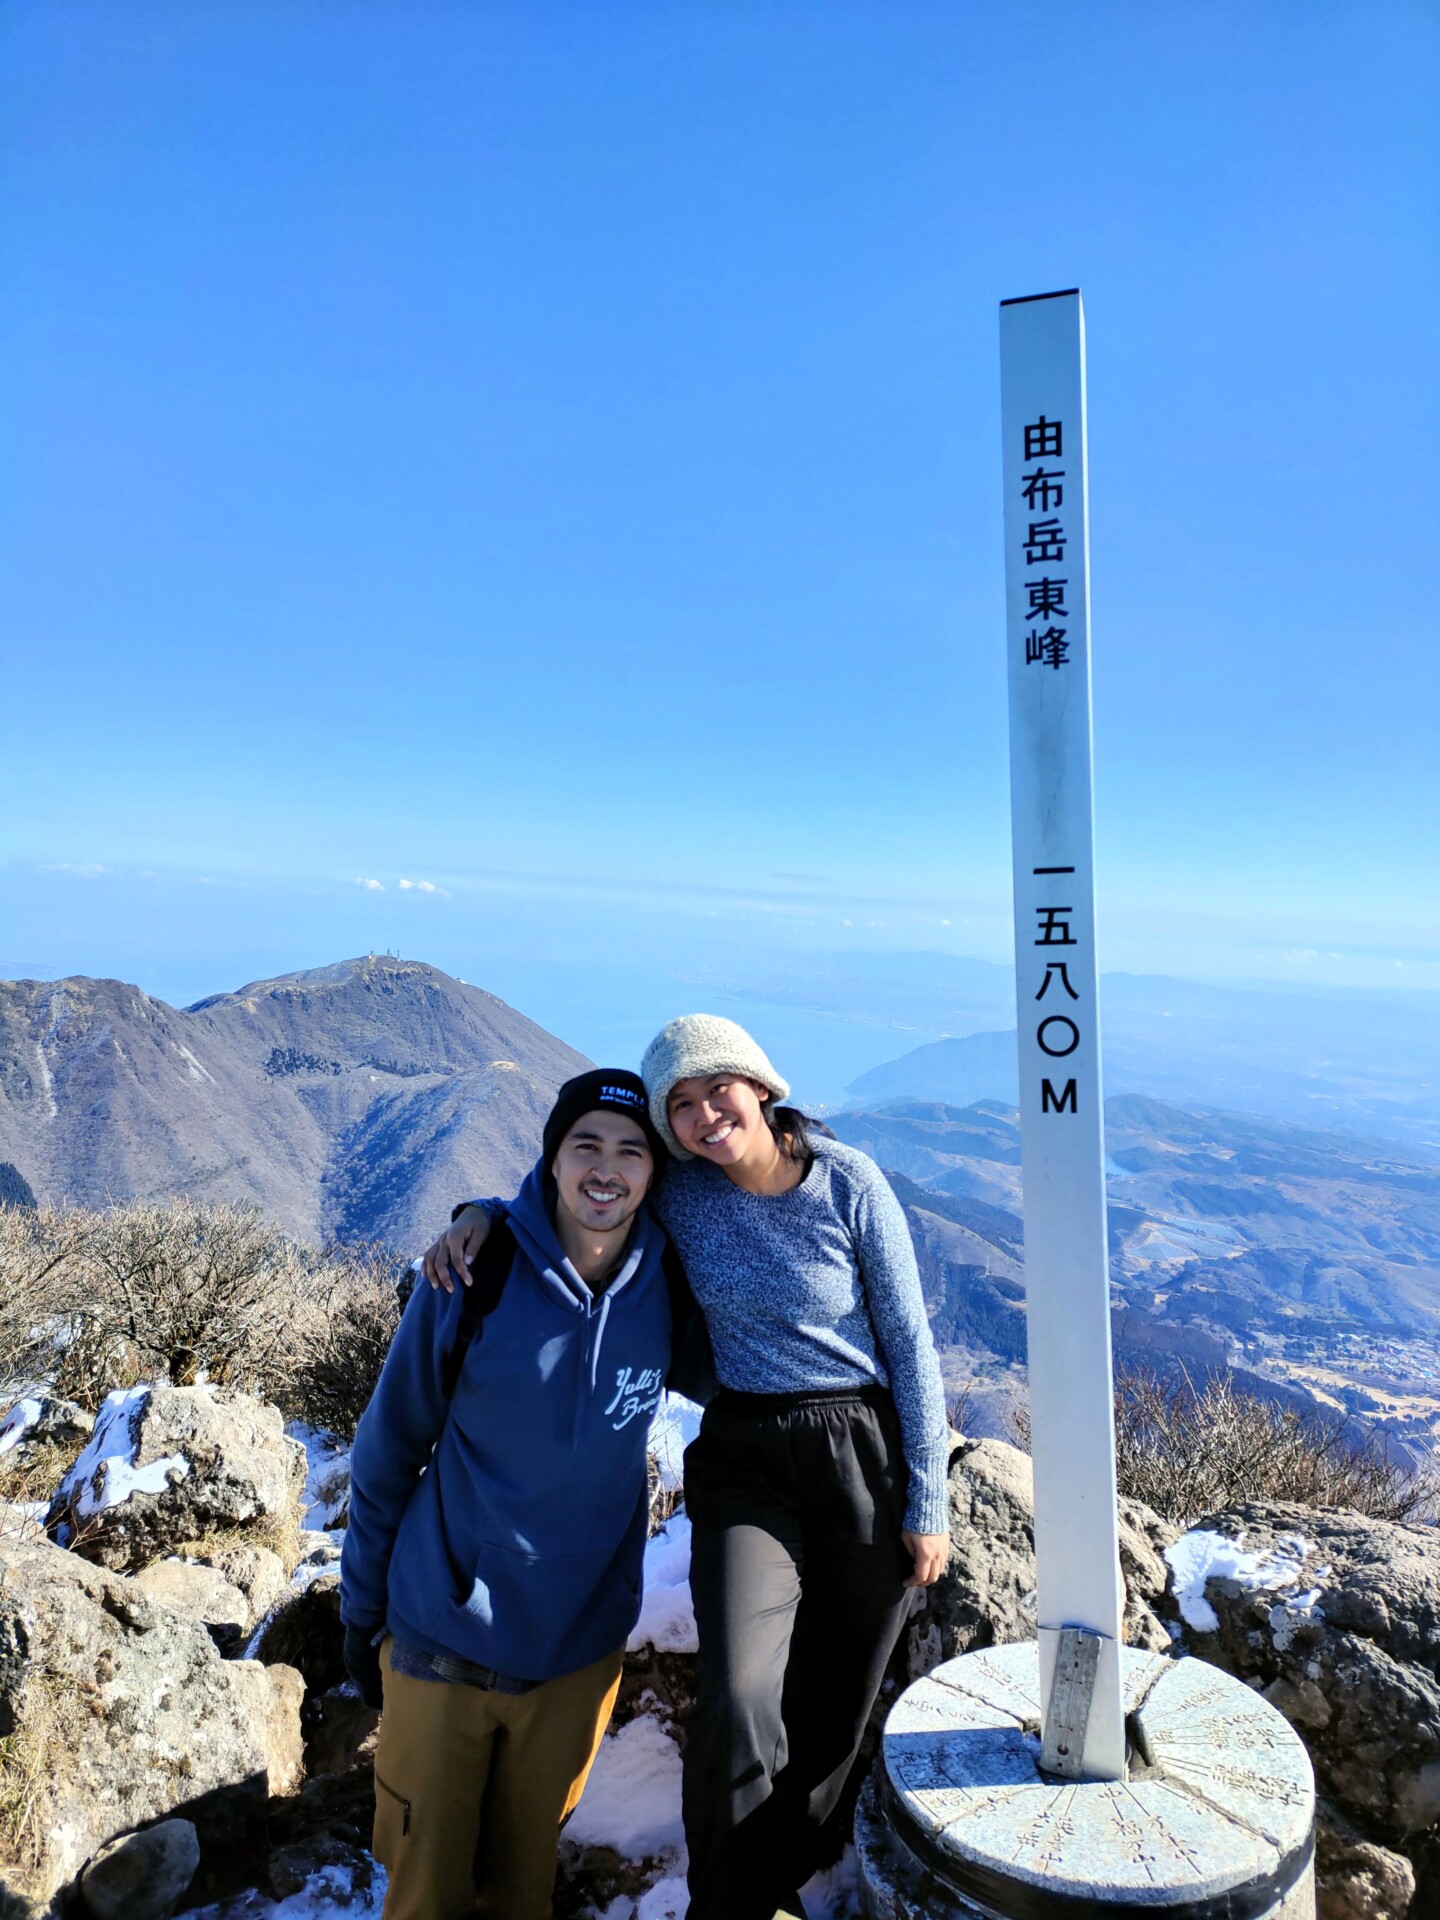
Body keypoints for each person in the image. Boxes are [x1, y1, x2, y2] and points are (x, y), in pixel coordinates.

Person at [426, 1016, 951, 1920]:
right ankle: (731, 1901)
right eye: (682, 1105)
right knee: (740, 1692)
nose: (706, 1115)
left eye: (718, 1090)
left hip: (860, 1446)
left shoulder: (850, 1183)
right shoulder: (683, 1190)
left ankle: (799, 1858)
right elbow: (585, 1184)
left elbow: (909, 1340)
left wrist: (929, 1492)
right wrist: (481, 1215)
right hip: (746, 1452)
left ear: (760, 1086)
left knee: (840, 1697)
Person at [341, 1069, 677, 1920]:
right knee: (423, 1896)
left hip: (575, 1657)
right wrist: (360, 1610)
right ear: (552, 1159)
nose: (607, 1170)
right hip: (440, 1636)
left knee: (522, 1893)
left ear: (655, 1172)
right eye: (585, 1146)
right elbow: (387, 1449)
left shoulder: (673, 1291)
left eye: (631, 1152)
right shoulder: (474, 1270)